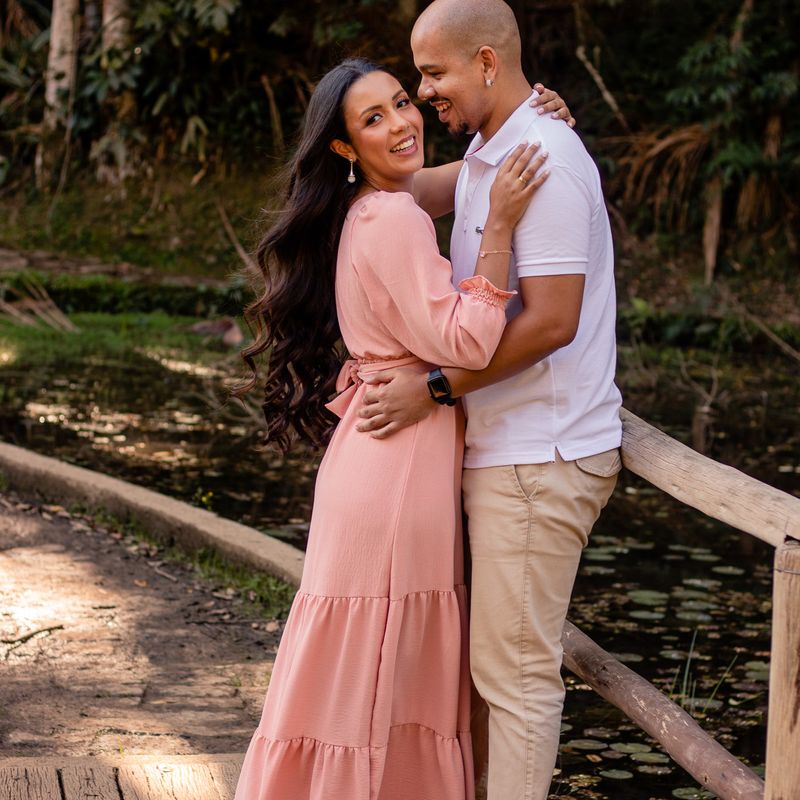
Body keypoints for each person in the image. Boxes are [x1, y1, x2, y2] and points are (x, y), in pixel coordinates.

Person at [232, 57, 569, 800]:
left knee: (356, 669)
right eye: (373, 119)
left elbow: (463, 174)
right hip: (397, 469)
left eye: (399, 103)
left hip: (374, 454)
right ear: (345, 149)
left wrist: (529, 120)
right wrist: (502, 230)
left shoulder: (374, 205)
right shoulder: (392, 217)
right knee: (385, 673)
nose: (402, 122)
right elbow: (468, 341)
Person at [355, 2, 624, 798]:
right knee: (485, 670)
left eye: (432, 74)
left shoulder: (545, 156)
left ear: (485, 62)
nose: (421, 90)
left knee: (515, 679)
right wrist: (349, 145)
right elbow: (389, 182)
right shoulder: (488, 152)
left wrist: (432, 389)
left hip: (541, 456)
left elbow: (550, 323)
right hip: (503, 452)